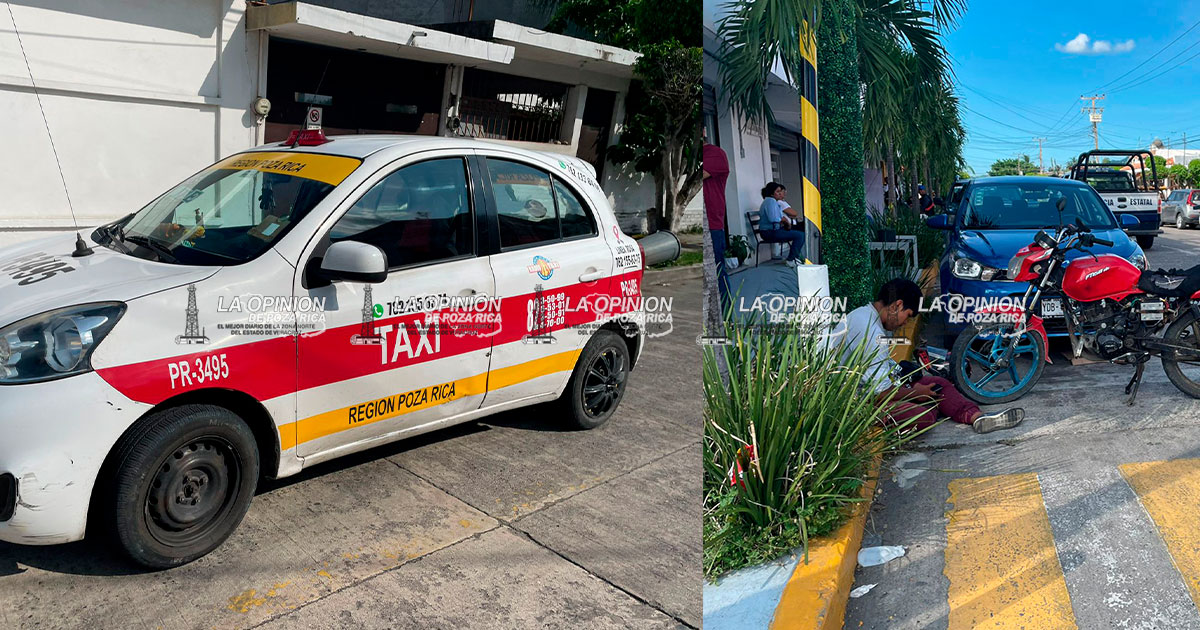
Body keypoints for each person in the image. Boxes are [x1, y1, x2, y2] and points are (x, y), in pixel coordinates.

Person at [831, 278, 1025, 434]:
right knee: (924, 417)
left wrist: (913, 384)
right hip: (857, 403)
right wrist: (915, 393)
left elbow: (880, 373)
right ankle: (941, 407)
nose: (904, 323)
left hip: (874, 389)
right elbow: (879, 393)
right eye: (908, 315)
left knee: (939, 384)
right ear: (897, 305)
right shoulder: (871, 332)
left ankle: (978, 418)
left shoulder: (864, 315)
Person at [702, 132, 731, 306]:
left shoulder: (715, 154)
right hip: (702, 224)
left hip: (712, 224)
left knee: (717, 272)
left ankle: (726, 314)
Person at [758, 182, 805, 267]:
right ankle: (791, 260)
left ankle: (795, 258)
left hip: (773, 230)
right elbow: (773, 218)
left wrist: (785, 222)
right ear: (772, 193)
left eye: (780, 191)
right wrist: (785, 220)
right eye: (777, 191)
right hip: (769, 232)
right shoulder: (770, 201)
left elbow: (779, 216)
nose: (780, 193)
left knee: (799, 232)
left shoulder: (772, 201)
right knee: (800, 235)